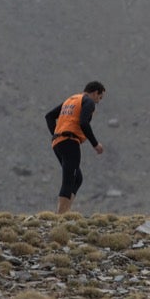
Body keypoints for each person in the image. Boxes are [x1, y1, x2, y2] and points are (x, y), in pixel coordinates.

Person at [44, 81, 106, 214]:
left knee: (77, 177)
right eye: (100, 97)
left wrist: (56, 134)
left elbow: (49, 116)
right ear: (95, 93)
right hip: (70, 141)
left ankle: (65, 212)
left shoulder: (70, 100)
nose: (98, 101)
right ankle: (60, 217)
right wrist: (95, 144)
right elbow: (83, 123)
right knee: (69, 179)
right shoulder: (88, 102)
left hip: (58, 143)